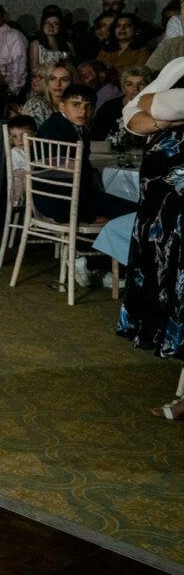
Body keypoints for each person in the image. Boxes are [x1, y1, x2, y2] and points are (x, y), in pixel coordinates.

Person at [114, 56, 184, 420]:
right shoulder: (178, 64)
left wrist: (156, 105)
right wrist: (156, 108)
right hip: (161, 215)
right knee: (175, 295)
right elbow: (132, 114)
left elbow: (157, 103)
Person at [33, 84, 136, 224]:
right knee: (133, 212)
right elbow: (60, 179)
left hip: (75, 199)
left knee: (133, 207)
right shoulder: (56, 131)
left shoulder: (75, 127)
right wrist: (88, 215)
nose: (83, 111)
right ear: (62, 107)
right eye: (76, 105)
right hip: (61, 203)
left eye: (89, 106)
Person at [92, 65, 151, 140]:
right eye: (130, 84)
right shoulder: (109, 107)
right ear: (123, 88)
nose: (136, 88)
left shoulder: (154, 107)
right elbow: (96, 137)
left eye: (141, 84)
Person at [19, 60, 75, 127]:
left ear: (72, 82)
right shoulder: (35, 104)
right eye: (52, 79)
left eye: (64, 79)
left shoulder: (78, 105)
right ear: (47, 82)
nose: (57, 84)